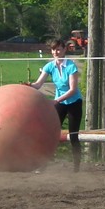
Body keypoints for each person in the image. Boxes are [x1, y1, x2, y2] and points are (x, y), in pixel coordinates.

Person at [30, 39, 83, 171]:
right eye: (54, 50)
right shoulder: (49, 66)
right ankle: (43, 164)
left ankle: (76, 167)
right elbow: (38, 84)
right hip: (60, 102)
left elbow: (73, 90)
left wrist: (56, 100)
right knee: (50, 133)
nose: (56, 52)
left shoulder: (71, 66)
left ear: (64, 50)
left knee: (73, 135)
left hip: (74, 102)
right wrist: (28, 85)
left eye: (58, 49)